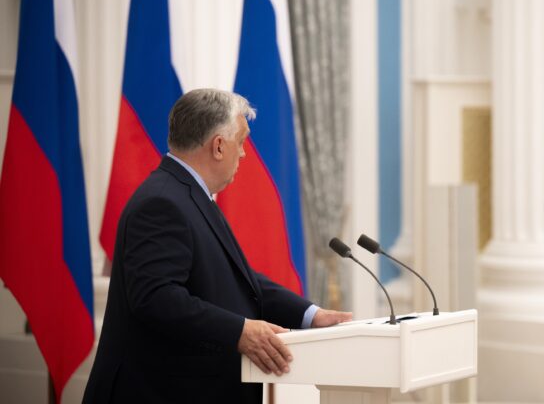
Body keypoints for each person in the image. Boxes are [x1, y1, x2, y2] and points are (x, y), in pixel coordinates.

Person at [83, 89, 351, 403]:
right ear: (219, 146)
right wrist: (240, 331)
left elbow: (238, 281)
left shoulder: (190, 196)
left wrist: (311, 315)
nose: (245, 153)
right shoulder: (162, 202)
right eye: (242, 141)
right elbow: (156, 297)